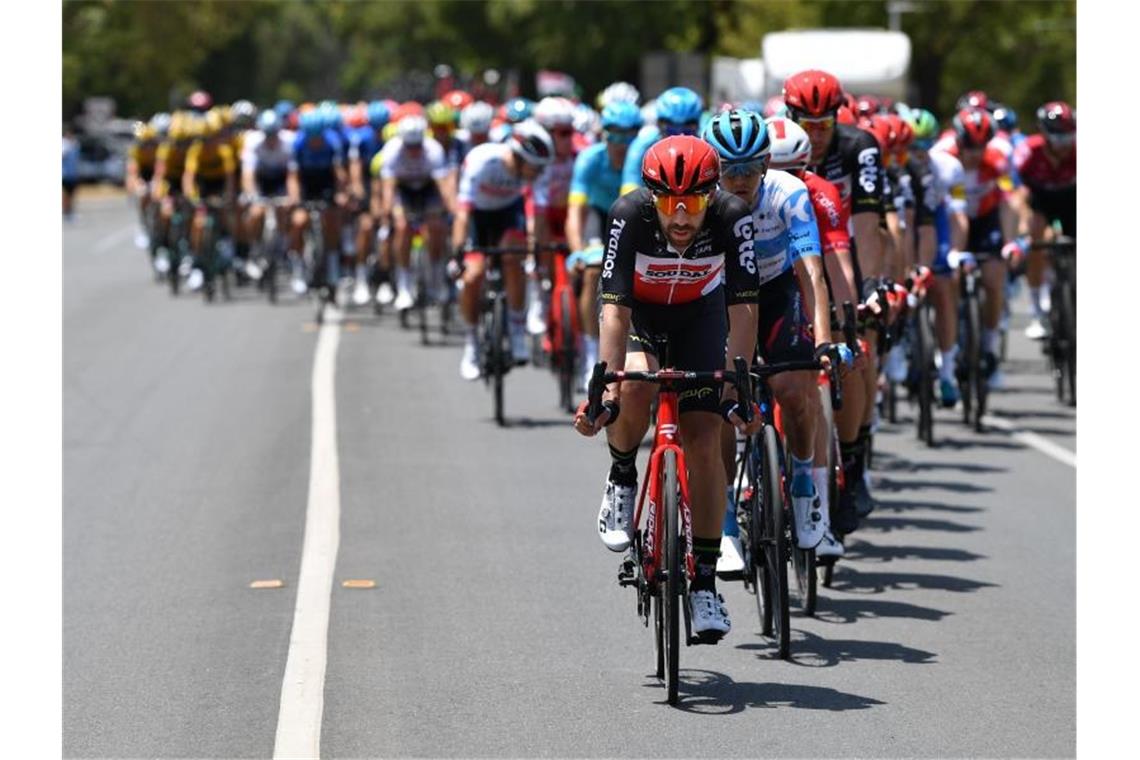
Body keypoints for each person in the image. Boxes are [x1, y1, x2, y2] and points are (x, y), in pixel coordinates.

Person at [573, 135, 761, 642]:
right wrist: (604, 390)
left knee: (703, 444)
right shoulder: (627, 214)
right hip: (644, 319)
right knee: (632, 387)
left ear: (711, 194)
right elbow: (614, 308)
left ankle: (703, 582)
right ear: (651, 196)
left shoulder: (731, 215)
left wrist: (736, 385)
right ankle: (621, 476)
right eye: (669, 203)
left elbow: (743, 308)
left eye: (694, 202)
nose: (681, 217)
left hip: (701, 321)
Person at [783, 69, 885, 530]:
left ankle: (856, 461)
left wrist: (868, 289)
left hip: (843, 248)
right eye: (809, 124)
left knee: (858, 340)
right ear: (790, 117)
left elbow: (865, 224)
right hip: (791, 254)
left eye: (825, 124)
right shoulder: (777, 144)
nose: (817, 135)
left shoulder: (859, 147)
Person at [765, 114, 861, 557]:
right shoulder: (737, 192)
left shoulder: (816, 195)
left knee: (803, 390)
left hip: (796, 282)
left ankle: (814, 498)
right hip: (750, 289)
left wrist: (847, 320)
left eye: (794, 173)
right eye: (774, 172)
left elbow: (829, 268)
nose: (783, 182)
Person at [452, 121, 554, 380]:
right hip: (478, 217)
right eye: (535, 167)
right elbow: (463, 214)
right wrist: (456, 254)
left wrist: (537, 255)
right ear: (519, 157)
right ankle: (472, 342)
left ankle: (517, 329)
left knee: (513, 256)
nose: (538, 174)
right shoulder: (482, 161)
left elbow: (539, 217)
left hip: (509, 214)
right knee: (473, 277)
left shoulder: (535, 173)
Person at [565, 101, 643, 390]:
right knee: (592, 271)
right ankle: (589, 352)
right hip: (599, 218)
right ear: (603, 135)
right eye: (614, 135)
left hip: (632, 220)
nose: (621, 144)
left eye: (628, 136)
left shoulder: (642, 159)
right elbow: (576, 213)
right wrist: (577, 250)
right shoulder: (589, 159)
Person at [371, 115, 452, 313]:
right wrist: (387, 214)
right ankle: (404, 285)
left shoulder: (433, 150)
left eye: (417, 146)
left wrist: (451, 210)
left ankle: (435, 279)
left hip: (428, 190)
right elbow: (388, 189)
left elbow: (443, 187)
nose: (414, 150)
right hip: (403, 191)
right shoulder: (391, 151)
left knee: (435, 227)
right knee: (401, 227)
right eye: (410, 146)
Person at [1012, 101, 1076, 340]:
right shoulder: (1029, 151)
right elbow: (1016, 192)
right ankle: (1038, 310)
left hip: (1072, 199)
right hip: (1040, 200)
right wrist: (1022, 220)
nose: (1064, 145)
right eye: (1059, 139)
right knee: (1036, 237)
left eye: (1069, 137)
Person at [619, 86, 703, 196]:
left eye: (687, 128)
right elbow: (629, 190)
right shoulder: (642, 146)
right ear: (658, 124)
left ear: (698, 125)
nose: (679, 135)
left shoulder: (707, 142)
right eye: (671, 128)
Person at [63, 126, 79, 220]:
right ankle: (66, 211)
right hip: (65, 173)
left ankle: (70, 211)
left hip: (73, 173)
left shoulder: (74, 144)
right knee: (66, 194)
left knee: (72, 194)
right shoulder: (64, 144)